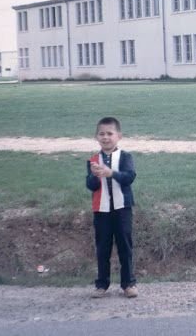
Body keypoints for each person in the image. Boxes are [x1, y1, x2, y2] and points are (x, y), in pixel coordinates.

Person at [86, 116, 138, 298]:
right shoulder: (93, 159)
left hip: (122, 209)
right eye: (102, 134)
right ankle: (101, 285)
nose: (106, 137)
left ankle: (128, 284)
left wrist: (111, 173)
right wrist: (93, 176)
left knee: (125, 246)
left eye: (110, 133)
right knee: (103, 248)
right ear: (96, 137)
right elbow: (90, 186)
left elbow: (129, 177)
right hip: (101, 210)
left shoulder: (125, 157)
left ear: (119, 136)